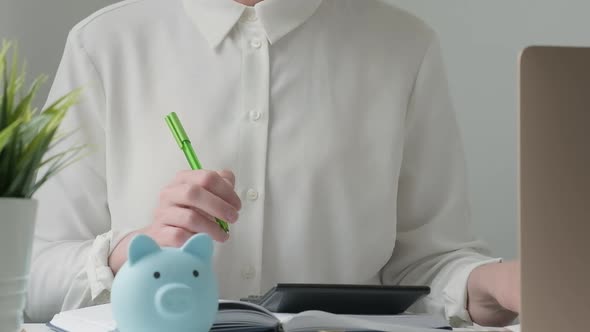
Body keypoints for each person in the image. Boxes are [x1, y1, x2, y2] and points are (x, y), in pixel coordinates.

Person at [26, 0, 520, 327]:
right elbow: (31, 279)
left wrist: (495, 283)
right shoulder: (105, 44)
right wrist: (131, 251)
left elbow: (429, 265)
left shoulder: (404, 46)